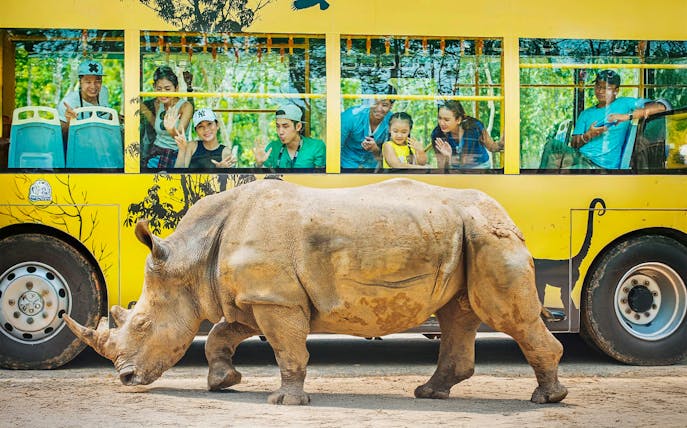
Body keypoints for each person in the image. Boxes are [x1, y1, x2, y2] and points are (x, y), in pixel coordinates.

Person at [567, 69, 669, 169]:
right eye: (598, 86)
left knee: (566, 171)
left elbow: (661, 107)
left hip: (599, 165)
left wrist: (627, 116)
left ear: (616, 91)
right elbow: (574, 144)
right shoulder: (586, 114)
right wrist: (588, 135)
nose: (600, 91)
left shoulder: (625, 103)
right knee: (554, 147)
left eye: (606, 88)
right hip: (580, 158)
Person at [140, 66, 193, 169]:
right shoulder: (158, 103)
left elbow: (180, 138)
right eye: (159, 89)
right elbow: (156, 125)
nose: (163, 93)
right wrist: (143, 109)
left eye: (167, 89)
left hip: (176, 156)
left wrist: (171, 129)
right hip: (155, 154)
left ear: (176, 88)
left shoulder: (185, 106)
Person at [432, 100, 503, 170]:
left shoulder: (475, 127)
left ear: (458, 120)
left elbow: (491, 147)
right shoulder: (437, 134)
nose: (441, 123)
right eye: (439, 118)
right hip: (455, 171)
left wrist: (502, 143)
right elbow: (442, 169)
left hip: (480, 168)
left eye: (446, 120)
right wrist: (447, 158)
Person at [340, 85, 396, 169]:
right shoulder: (351, 116)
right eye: (375, 103)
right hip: (346, 165)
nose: (379, 108)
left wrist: (375, 149)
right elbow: (336, 147)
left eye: (384, 105)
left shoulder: (392, 121)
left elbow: (391, 156)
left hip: (373, 169)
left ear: (391, 106)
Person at [253, 104, 326, 169]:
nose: (280, 132)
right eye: (278, 126)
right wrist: (259, 164)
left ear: (298, 126)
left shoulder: (316, 147)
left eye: (285, 126)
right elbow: (263, 180)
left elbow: (321, 179)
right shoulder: (273, 147)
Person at [57, 60, 111, 141]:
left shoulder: (104, 92)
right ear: (80, 82)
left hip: (102, 144)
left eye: (97, 81)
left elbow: (106, 116)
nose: (93, 86)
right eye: (88, 82)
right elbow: (59, 138)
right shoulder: (68, 102)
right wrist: (69, 123)